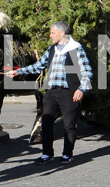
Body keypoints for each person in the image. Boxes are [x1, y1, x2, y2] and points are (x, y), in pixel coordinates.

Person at [6, 20, 93, 165]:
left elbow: (87, 71)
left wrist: (81, 89)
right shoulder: (52, 49)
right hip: (52, 93)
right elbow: (38, 66)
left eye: (53, 33)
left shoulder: (76, 49)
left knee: (69, 125)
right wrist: (18, 72)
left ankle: (67, 155)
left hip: (69, 92)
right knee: (46, 123)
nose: (50, 36)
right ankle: (47, 154)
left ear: (62, 33)